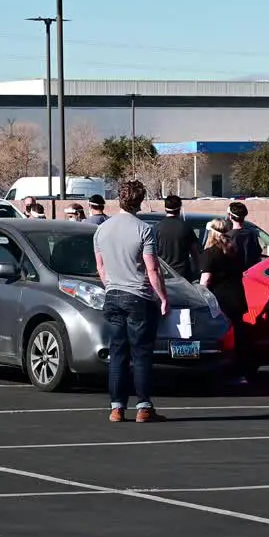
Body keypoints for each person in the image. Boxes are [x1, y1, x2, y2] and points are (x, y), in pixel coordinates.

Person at [93, 179, 169, 423]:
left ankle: (117, 407)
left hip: (113, 294)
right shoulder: (144, 229)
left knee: (118, 352)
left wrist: (111, 286)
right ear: (140, 201)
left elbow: (101, 268)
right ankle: (144, 406)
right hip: (138, 296)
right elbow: (153, 269)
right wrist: (163, 297)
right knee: (142, 353)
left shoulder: (102, 229)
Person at [200, 218, 251, 384]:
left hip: (220, 299)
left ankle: (223, 371)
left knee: (221, 336)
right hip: (236, 296)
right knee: (237, 334)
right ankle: (240, 370)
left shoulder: (210, 253)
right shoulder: (233, 250)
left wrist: (200, 296)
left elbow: (205, 280)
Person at [155, 195, 200, 281]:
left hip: (164, 274)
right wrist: (197, 269)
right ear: (179, 209)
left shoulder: (157, 228)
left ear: (165, 208)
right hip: (183, 274)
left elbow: (153, 253)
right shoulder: (186, 228)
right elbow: (194, 252)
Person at [226, 201, 263, 268]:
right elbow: (257, 255)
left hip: (233, 276)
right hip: (250, 274)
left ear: (230, 216)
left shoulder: (227, 237)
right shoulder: (252, 235)